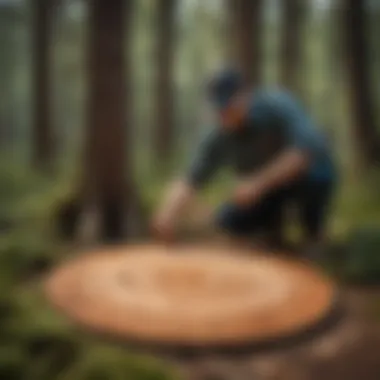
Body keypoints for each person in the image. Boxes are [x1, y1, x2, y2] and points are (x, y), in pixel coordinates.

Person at [152, 68, 336, 256]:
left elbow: (305, 153)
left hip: (306, 177)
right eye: (219, 109)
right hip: (265, 191)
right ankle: (270, 237)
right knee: (229, 220)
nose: (224, 114)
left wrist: (257, 183)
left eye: (229, 106)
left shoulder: (277, 105)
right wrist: (168, 211)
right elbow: (191, 177)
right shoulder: (218, 132)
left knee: (317, 175)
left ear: (245, 96)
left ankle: (314, 235)